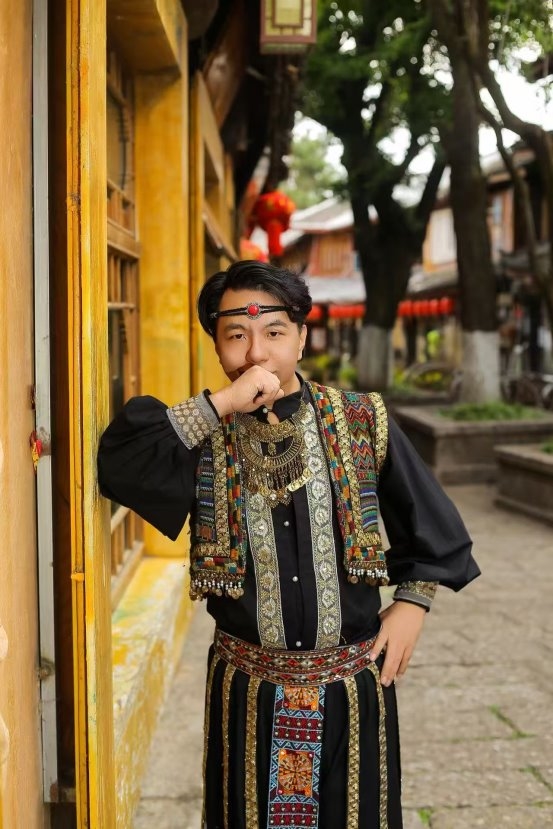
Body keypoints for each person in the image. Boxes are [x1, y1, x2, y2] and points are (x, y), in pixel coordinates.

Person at [98, 261, 480, 829]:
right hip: (247, 692)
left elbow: (432, 524)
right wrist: (221, 404)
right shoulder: (200, 434)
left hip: (352, 689)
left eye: (274, 332)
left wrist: (412, 604)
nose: (257, 353)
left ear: (301, 338)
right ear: (217, 347)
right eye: (236, 335)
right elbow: (118, 465)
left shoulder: (360, 420)